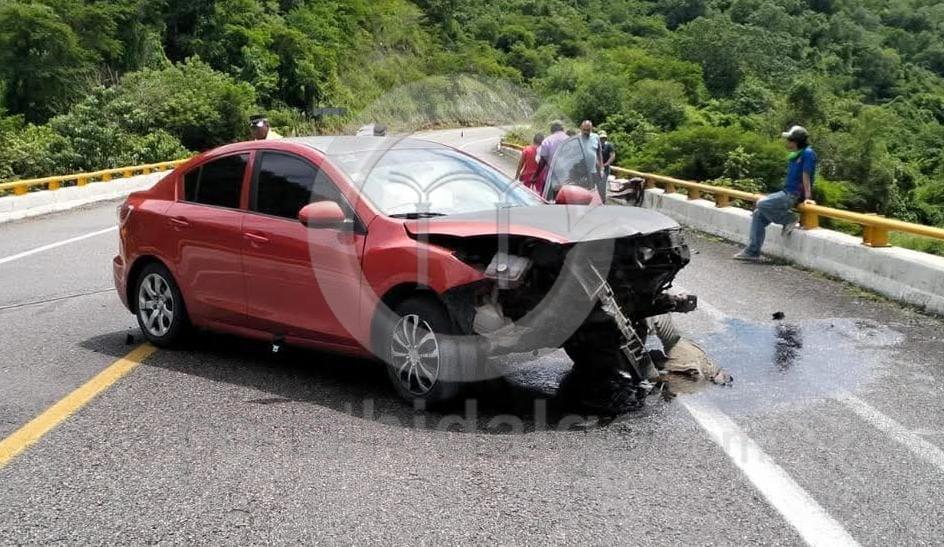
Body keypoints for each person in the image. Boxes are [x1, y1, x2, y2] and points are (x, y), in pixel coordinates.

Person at [734, 125, 816, 261]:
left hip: (793, 194)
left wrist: (807, 196)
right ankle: (753, 251)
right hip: (786, 191)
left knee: (762, 203)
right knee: (758, 214)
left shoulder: (808, 153)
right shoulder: (796, 155)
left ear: (795, 141)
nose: (786, 142)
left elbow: (806, 175)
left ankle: (789, 219)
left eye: (789, 139)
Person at [534, 121, 569, 196]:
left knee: (546, 197)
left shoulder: (547, 140)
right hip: (566, 177)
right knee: (561, 197)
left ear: (552, 130)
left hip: (550, 177)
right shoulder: (569, 140)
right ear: (562, 129)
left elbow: (542, 162)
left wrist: (536, 175)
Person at [577, 120, 604, 199]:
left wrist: (601, 168)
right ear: (581, 128)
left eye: (588, 130)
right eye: (584, 130)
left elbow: (599, 153)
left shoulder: (596, 137)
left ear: (591, 129)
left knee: (591, 193)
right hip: (579, 172)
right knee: (580, 193)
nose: (586, 132)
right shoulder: (576, 138)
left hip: (592, 171)